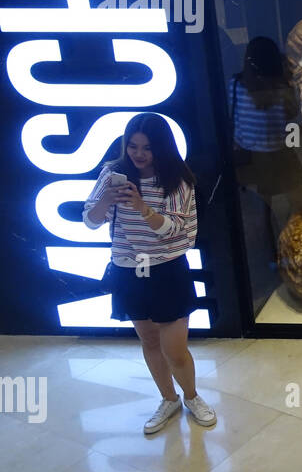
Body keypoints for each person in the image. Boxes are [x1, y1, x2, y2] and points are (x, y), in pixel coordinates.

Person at [83, 113, 214, 434]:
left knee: (175, 348)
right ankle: (168, 399)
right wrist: (105, 200)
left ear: (162, 149)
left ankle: (192, 397)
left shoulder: (178, 181)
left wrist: (143, 208)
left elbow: (177, 232)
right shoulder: (112, 174)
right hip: (129, 269)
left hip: (168, 269)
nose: (139, 154)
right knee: (149, 340)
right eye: (133, 146)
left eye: (147, 148)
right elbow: (90, 220)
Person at [228, 37, 302, 233]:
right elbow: (293, 116)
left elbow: (234, 117)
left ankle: (269, 242)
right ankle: (296, 230)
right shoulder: (282, 89)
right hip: (278, 153)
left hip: (249, 154)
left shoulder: (235, 84)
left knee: (263, 205)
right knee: (298, 198)